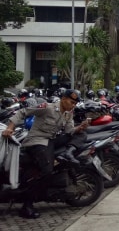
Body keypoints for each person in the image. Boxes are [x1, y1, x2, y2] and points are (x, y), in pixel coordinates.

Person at [1, 89, 90, 219]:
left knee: (82, 134)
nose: (73, 105)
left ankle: (69, 153)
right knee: (47, 170)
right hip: (37, 141)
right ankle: (27, 205)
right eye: (71, 102)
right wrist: (10, 128)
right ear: (64, 99)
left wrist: (80, 127)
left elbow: (69, 130)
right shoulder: (47, 107)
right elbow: (23, 112)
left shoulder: (68, 114)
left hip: (51, 140)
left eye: (75, 103)